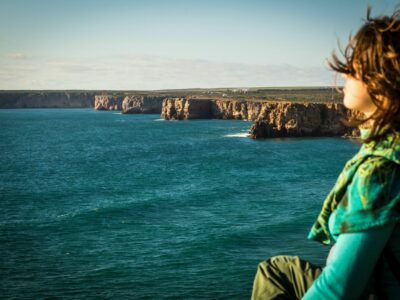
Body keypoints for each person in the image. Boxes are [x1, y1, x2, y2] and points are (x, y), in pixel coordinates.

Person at [251, 5, 400, 300]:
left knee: (273, 274)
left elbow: (338, 289)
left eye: (354, 66)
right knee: (276, 269)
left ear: (381, 82)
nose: (343, 73)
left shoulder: (379, 172)